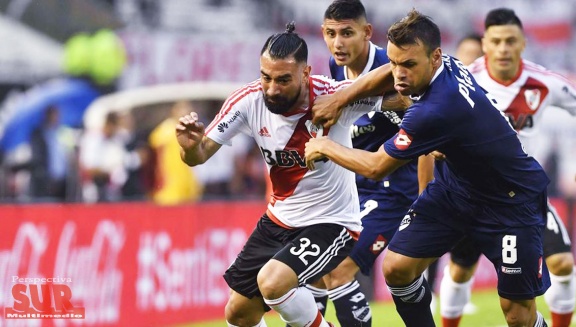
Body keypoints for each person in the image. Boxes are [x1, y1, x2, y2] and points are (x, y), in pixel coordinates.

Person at [305, 9, 551, 327]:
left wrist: (324, 146)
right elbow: (387, 75)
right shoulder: (443, 63)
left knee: (517, 316)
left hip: (510, 201)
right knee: (396, 268)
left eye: (409, 65)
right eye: (394, 62)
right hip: (455, 190)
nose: (399, 75)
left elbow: (378, 166)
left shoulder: (436, 109)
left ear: (434, 57)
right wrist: (341, 99)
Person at [176, 23, 390, 327]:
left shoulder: (332, 97)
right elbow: (198, 157)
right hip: (278, 221)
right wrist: (189, 148)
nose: (272, 88)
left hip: (331, 222)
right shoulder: (248, 101)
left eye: (283, 79)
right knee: (238, 314)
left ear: (305, 73)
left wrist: (347, 97)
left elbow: (395, 76)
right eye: (266, 77)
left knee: (273, 282)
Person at [438, 8, 576, 327]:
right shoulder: (464, 79)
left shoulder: (542, 81)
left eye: (510, 41)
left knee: (563, 263)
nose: (503, 48)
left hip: (523, 195)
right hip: (472, 194)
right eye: (496, 41)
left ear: (523, 43)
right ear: (485, 44)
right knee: (460, 270)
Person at [305, 1, 434, 326]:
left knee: (338, 268)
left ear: (366, 33)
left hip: (395, 189)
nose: (338, 43)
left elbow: (426, 136)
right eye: (331, 33)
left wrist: (425, 201)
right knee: (314, 273)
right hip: (353, 187)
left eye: (347, 33)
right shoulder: (335, 71)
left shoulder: (393, 66)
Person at [427, 32, 484, 316]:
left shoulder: (487, 95)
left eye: (476, 54)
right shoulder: (442, 88)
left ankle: (458, 292)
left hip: (479, 192)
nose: (470, 60)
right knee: (428, 243)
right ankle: (427, 294)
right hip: (444, 186)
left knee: (465, 256)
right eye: (466, 53)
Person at [149, 100, 203, 205]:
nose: (185, 112)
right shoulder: (164, 131)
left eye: (188, 110)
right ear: (174, 111)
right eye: (182, 109)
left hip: (187, 185)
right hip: (170, 186)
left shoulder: (192, 132)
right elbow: (155, 160)